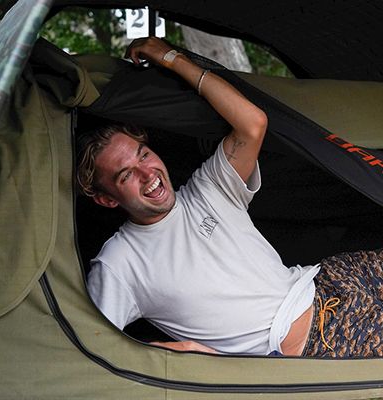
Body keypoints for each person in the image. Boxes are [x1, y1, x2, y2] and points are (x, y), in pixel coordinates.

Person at [77, 37, 383, 357]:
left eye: (143, 155)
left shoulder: (208, 190)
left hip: (334, 279)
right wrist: (172, 353)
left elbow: (252, 124)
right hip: (321, 341)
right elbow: (90, 352)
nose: (147, 174)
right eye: (125, 175)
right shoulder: (119, 264)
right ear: (107, 199)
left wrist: (170, 58)